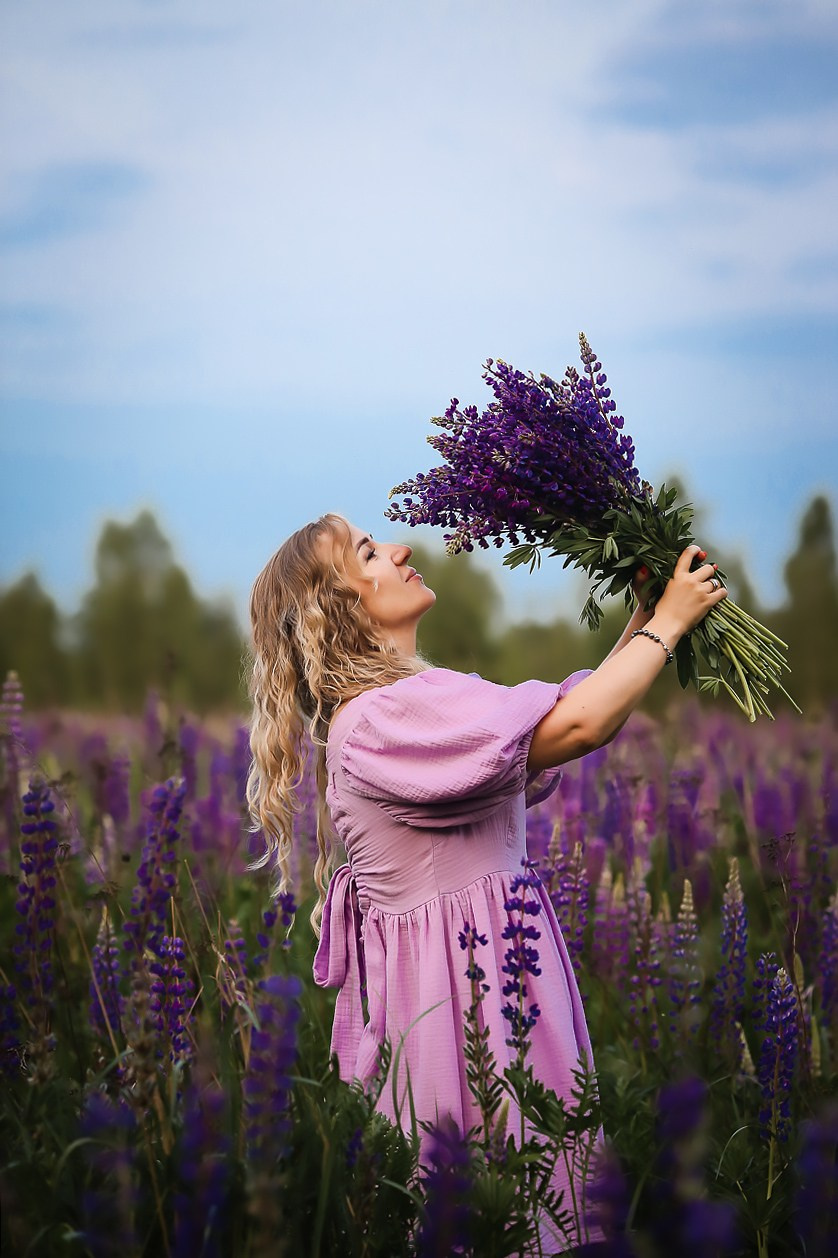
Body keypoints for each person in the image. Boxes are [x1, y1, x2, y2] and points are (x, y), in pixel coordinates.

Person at [246, 513, 727, 1250]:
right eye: (369, 552)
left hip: (500, 979)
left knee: (535, 1199)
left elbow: (566, 718)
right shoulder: (379, 720)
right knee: (502, 1206)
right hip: (465, 1007)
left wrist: (644, 618)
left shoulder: (410, 700)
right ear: (335, 606)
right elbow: (578, 728)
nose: (401, 549)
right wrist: (669, 622)